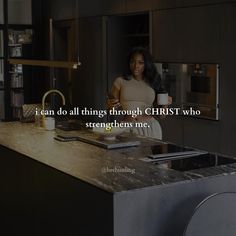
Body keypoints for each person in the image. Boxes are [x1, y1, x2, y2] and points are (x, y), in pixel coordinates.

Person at [107, 47, 171, 140]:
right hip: (127, 127)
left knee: (149, 154)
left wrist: (165, 104)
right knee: (126, 154)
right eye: (132, 62)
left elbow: (162, 115)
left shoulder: (153, 82)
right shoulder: (120, 81)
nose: (136, 66)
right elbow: (112, 110)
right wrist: (110, 106)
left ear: (147, 64)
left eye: (140, 63)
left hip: (151, 128)